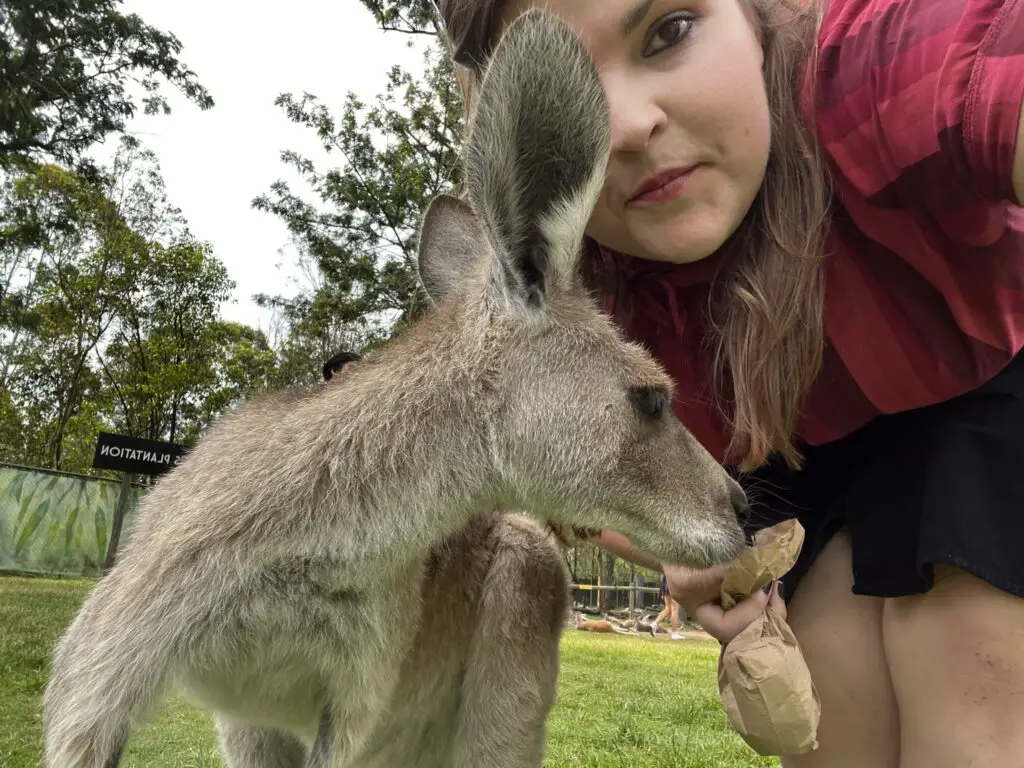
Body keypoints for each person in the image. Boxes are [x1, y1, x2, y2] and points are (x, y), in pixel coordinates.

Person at [434, 1, 1024, 766]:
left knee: (964, 685)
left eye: (669, 30)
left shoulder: (864, 74)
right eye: (566, 98)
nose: (624, 127)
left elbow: (986, 75)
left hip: (981, 390)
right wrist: (684, 549)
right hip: (792, 466)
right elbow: (563, 481)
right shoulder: (582, 288)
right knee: (832, 710)